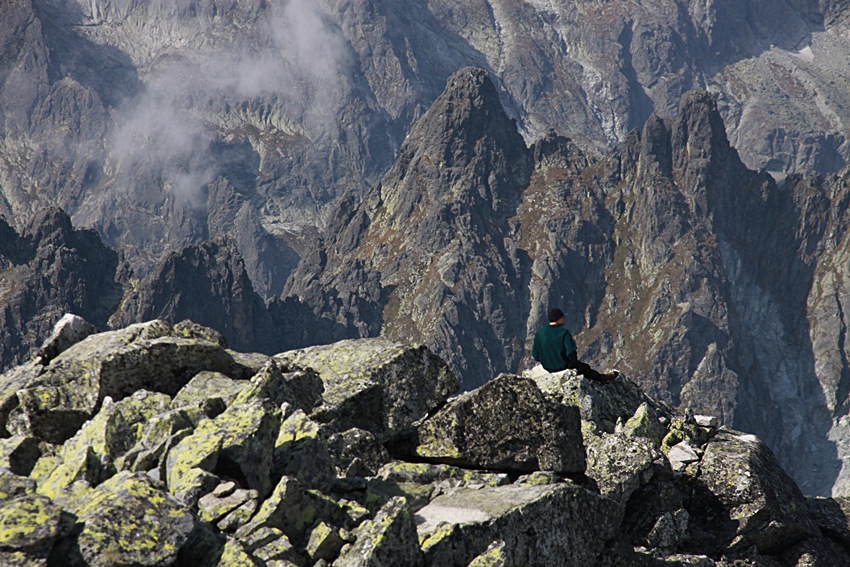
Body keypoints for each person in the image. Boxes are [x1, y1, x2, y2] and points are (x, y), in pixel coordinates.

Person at [532, 308, 618, 383]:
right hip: (564, 366)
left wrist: (547, 361)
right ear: (558, 319)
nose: (563, 319)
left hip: (548, 367)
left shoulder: (540, 333)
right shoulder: (563, 332)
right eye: (562, 318)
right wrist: (572, 361)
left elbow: (535, 355)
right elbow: (571, 351)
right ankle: (602, 378)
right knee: (584, 368)